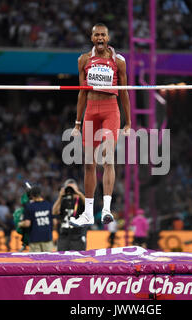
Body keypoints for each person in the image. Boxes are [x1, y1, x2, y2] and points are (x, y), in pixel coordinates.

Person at [69, 23, 131, 228]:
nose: (100, 38)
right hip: (90, 111)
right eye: (97, 35)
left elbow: (124, 92)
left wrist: (128, 121)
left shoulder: (118, 61)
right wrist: (77, 123)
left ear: (108, 37)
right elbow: (81, 93)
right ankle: (87, 213)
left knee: (108, 159)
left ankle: (106, 209)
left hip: (110, 110)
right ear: (92, 37)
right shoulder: (83, 60)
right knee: (88, 163)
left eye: (103, 34)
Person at [52, 178, 87, 251]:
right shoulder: (63, 200)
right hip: (63, 236)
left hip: (77, 236)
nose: (71, 190)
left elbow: (88, 206)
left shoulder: (80, 200)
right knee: (62, 260)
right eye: (69, 188)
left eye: (73, 188)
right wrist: (60, 197)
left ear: (77, 189)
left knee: (78, 260)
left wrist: (79, 193)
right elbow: (54, 212)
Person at [18, 185, 54, 252]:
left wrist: (20, 224)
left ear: (31, 195)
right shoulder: (48, 205)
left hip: (35, 239)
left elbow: (27, 224)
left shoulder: (29, 207)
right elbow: (54, 222)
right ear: (40, 194)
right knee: (49, 260)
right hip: (47, 238)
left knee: (36, 261)